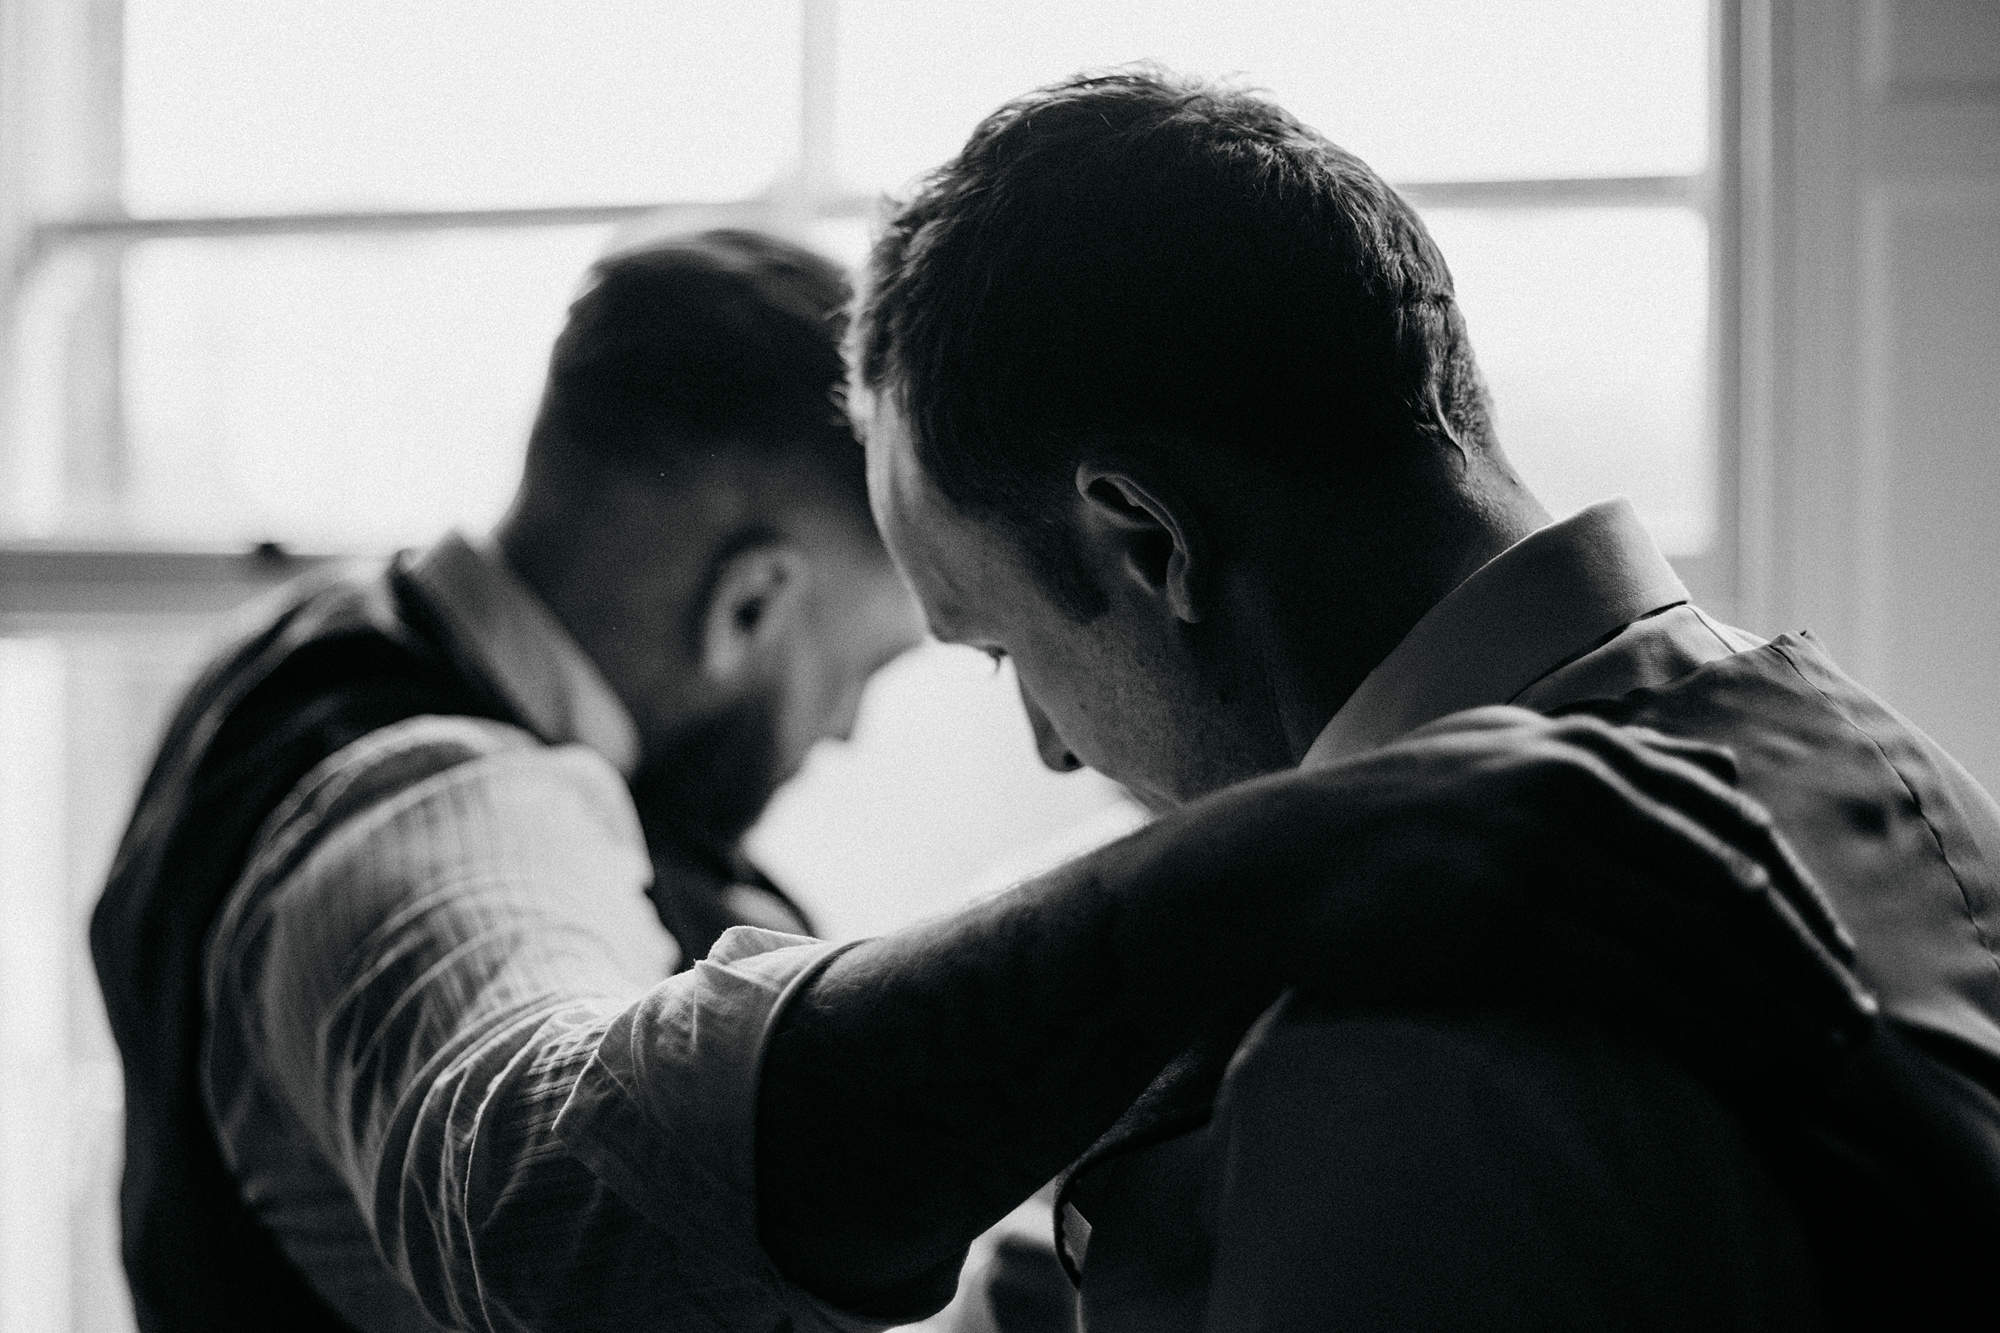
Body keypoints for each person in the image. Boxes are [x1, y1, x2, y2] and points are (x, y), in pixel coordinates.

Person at [91, 226, 1859, 1333]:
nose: (857, 733)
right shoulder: (428, 798)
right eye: (892, 656)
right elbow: (543, 1203)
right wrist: (1265, 872)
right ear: (752, 598)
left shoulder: (300, 647)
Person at [834, 68, 2000, 1331]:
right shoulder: (1886, 763)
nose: (1051, 752)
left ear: (1149, 540)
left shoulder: (1378, 1052)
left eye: (1001, 650)